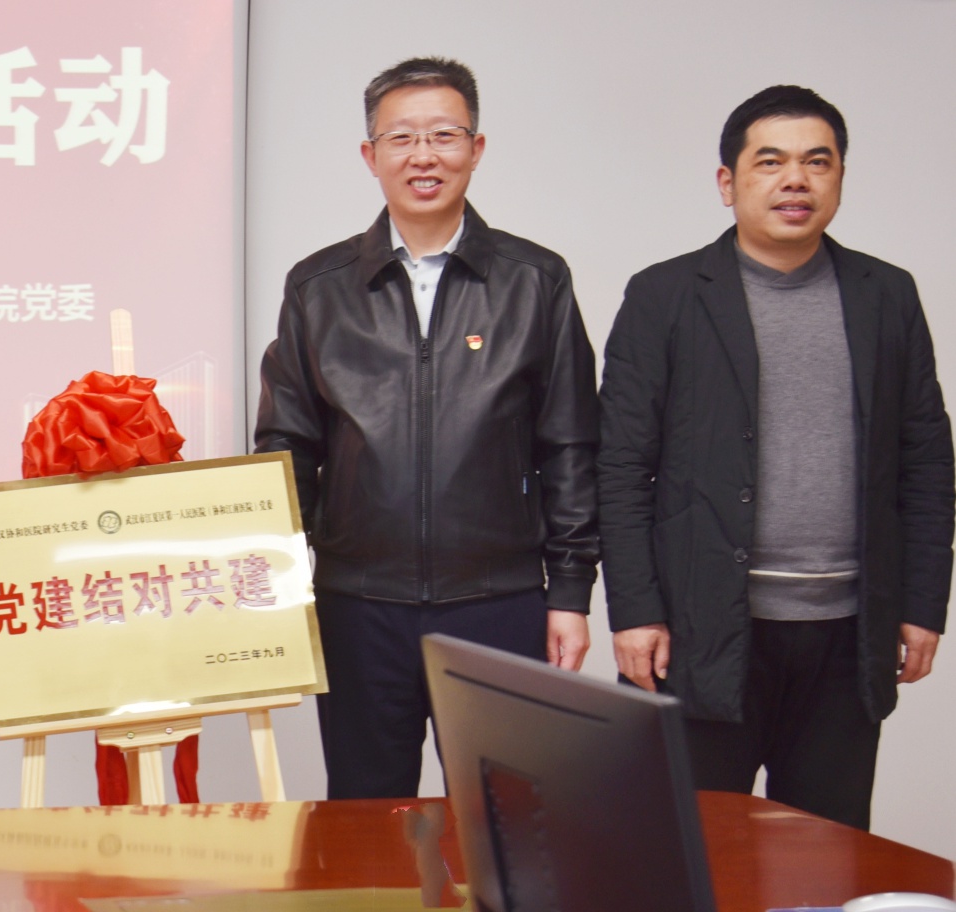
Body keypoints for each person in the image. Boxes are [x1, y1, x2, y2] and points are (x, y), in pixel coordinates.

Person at [598, 86, 952, 830]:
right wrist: (635, 612)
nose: (796, 180)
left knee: (824, 859)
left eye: (816, 162)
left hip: (847, 637)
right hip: (700, 631)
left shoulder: (886, 294)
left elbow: (924, 460)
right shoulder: (665, 296)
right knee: (691, 854)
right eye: (771, 162)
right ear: (727, 182)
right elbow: (622, 468)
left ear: (839, 177)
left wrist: (922, 605)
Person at [254, 57, 599, 799]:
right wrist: (275, 588)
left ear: (476, 148)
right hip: (358, 604)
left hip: (498, 600)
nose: (423, 156)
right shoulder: (317, 287)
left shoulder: (535, 279)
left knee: (508, 815)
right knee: (367, 812)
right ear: (369, 154)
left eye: (444, 135)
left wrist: (569, 591)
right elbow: (287, 446)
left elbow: (569, 444)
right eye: (401, 137)